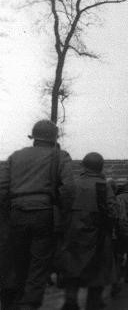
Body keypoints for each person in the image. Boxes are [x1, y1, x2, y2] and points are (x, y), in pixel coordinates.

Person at [0, 119, 75, 310]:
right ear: (54, 138)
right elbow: (68, 189)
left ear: (33, 138)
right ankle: (29, 304)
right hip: (44, 213)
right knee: (39, 264)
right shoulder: (60, 156)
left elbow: (2, 188)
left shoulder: (15, 156)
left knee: (17, 261)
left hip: (16, 213)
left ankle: (13, 301)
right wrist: (64, 214)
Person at [58, 152, 118, 310]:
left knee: (72, 270)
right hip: (98, 238)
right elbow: (112, 214)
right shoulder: (104, 187)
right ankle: (93, 303)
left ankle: (71, 300)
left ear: (83, 166)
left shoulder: (72, 185)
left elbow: (61, 210)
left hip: (72, 236)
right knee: (98, 273)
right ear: (101, 167)